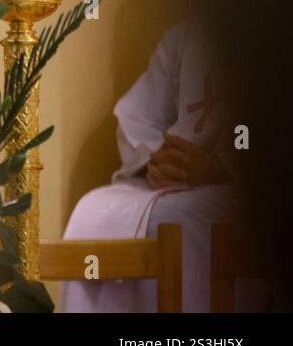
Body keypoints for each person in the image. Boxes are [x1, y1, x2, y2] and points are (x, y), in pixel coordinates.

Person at [58, 16, 264, 312]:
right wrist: (156, 159)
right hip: (171, 183)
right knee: (92, 208)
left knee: (178, 216)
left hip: (244, 188)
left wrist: (218, 167)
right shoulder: (188, 34)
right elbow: (137, 118)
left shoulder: (274, 30)